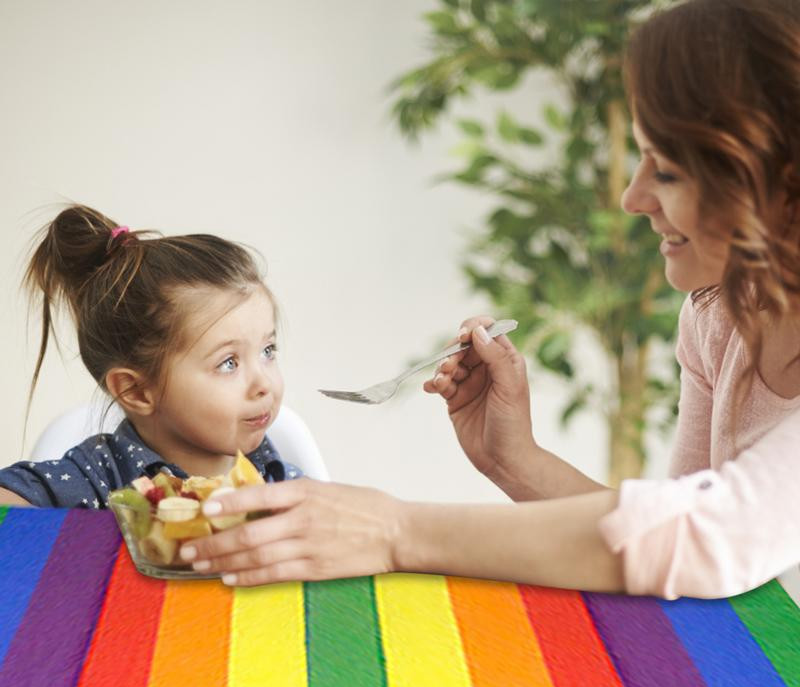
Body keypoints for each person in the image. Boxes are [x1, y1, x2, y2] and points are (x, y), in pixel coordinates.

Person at [177, 0, 800, 596]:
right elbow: (673, 537)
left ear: (777, 174)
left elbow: (710, 538)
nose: (632, 198)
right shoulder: (720, 315)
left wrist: (393, 530)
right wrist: (515, 460)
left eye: (665, 169)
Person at [0, 205, 300, 509]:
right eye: (228, 363)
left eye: (267, 351)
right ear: (137, 391)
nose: (264, 383)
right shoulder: (97, 480)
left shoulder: (282, 480)